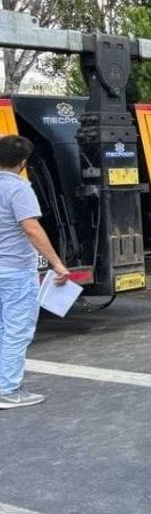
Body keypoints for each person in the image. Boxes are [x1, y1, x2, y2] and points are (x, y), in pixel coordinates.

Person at [0, 135, 70, 409]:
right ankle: (7, 390)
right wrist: (56, 263)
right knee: (17, 330)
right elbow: (31, 228)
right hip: (16, 270)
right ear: (23, 163)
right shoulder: (19, 189)